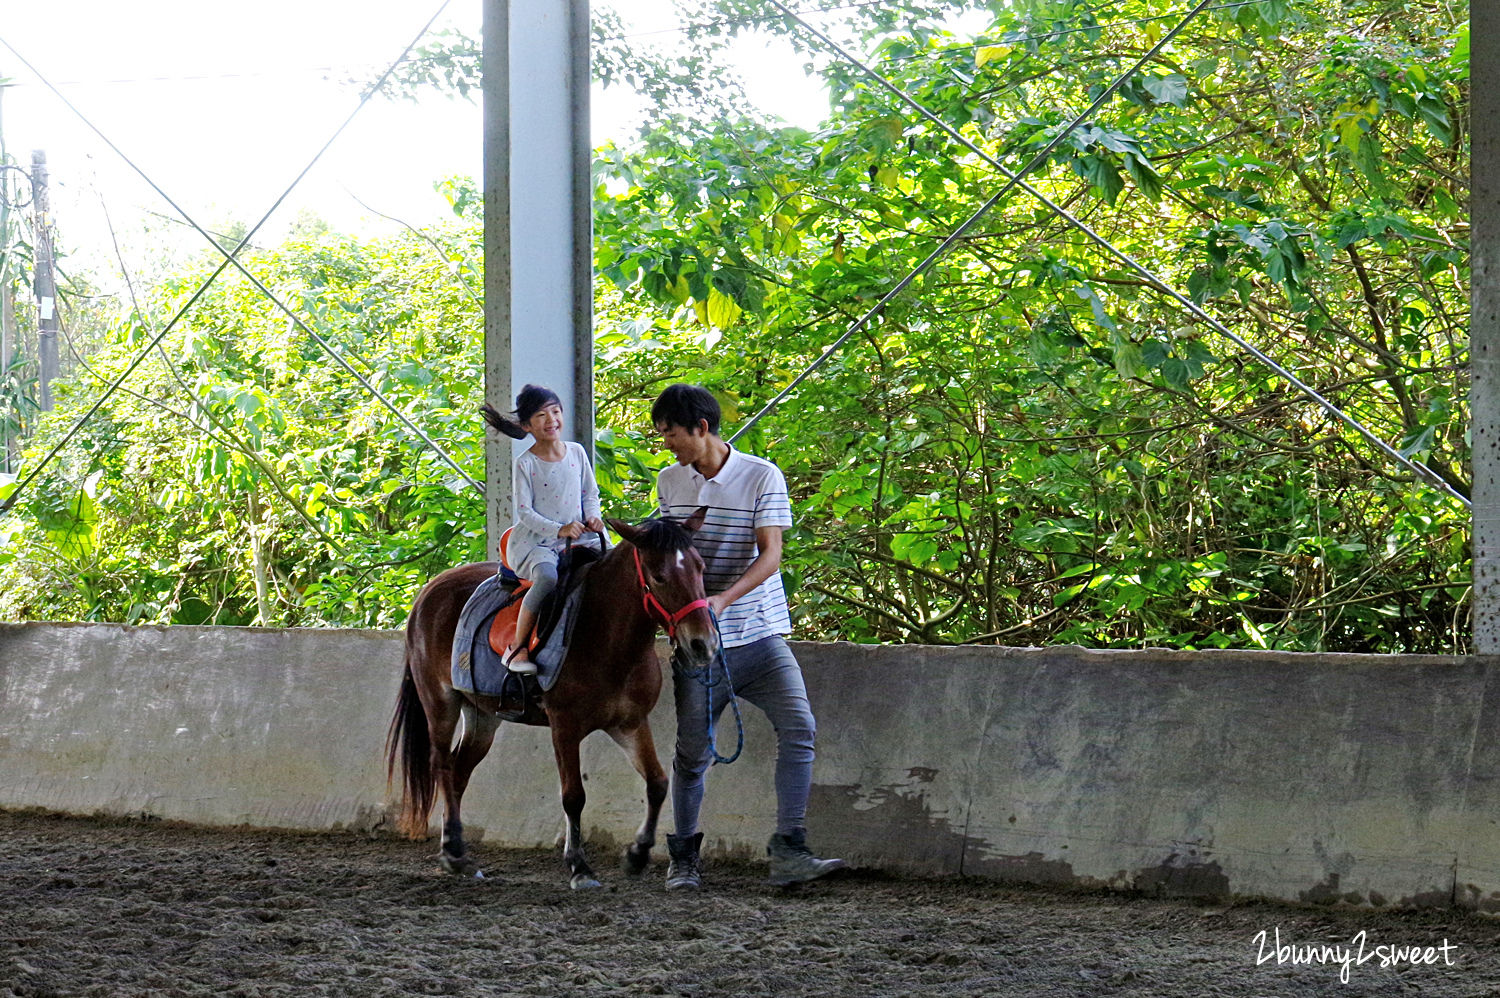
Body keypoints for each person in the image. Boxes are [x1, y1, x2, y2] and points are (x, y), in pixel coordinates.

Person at [650, 383, 843, 889]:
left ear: (701, 428)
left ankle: (790, 850)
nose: (666, 443)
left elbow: (771, 555)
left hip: (759, 634)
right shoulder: (671, 483)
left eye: (670, 433)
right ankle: (684, 859)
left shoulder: (761, 476)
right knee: (693, 753)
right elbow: (673, 559)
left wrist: (722, 600)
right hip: (698, 645)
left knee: (799, 728)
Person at [481, 384, 604, 675]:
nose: (552, 420)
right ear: (527, 425)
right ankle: (518, 646)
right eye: (541, 415)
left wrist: (594, 517)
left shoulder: (576, 452)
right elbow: (525, 513)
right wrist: (559, 529)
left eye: (556, 411)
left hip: (578, 534)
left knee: (618, 565)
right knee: (547, 578)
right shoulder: (526, 463)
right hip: (538, 542)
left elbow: (590, 493)